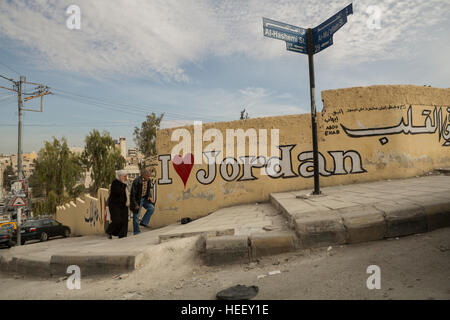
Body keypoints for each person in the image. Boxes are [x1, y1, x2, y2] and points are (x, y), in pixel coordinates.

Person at [130, 168, 155, 235]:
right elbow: (132, 194)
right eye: (148, 176)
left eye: (149, 176)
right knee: (136, 216)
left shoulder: (149, 180)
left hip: (145, 199)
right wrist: (135, 204)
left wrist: (149, 196)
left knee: (151, 208)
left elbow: (148, 190)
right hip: (138, 200)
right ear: (143, 175)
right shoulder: (136, 181)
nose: (149, 177)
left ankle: (143, 222)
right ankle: (136, 232)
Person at [106, 170, 129, 239]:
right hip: (114, 205)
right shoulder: (115, 183)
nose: (125, 178)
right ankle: (109, 231)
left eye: (126, 176)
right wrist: (123, 184)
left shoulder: (125, 183)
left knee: (124, 220)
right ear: (119, 176)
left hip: (123, 205)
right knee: (117, 220)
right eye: (124, 176)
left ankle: (122, 235)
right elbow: (118, 192)